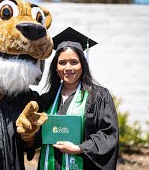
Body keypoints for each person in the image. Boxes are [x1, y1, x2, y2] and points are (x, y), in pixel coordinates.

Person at [37, 27, 119, 170]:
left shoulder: (98, 96)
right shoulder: (47, 99)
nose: (68, 68)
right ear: (56, 68)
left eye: (74, 62)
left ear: (82, 65)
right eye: (62, 62)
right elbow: (39, 136)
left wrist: (78, 148)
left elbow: (108, 134)